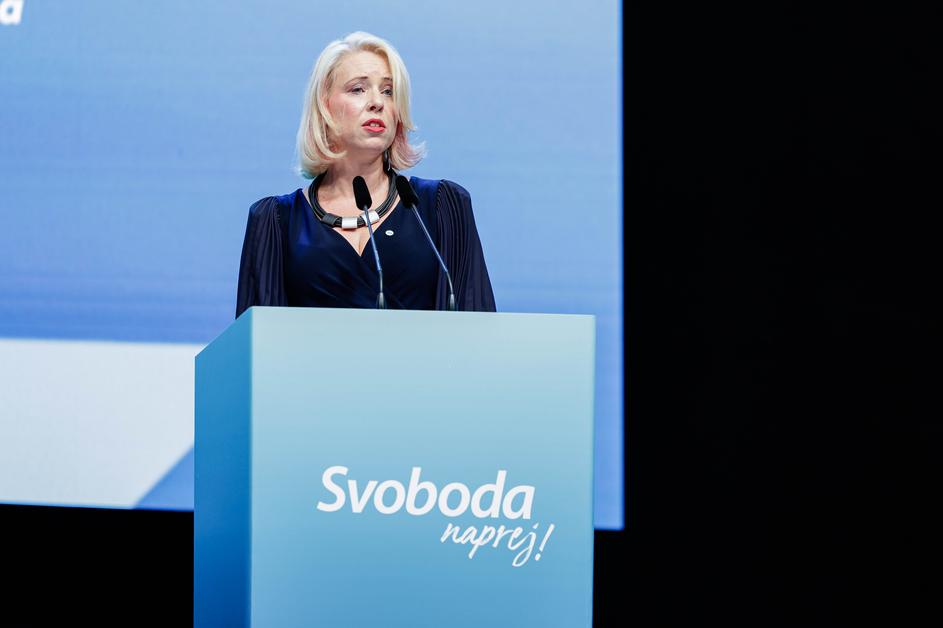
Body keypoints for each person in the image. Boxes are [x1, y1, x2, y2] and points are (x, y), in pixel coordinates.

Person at [236, 31, 495, 317]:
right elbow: (257, 340)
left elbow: (476, 328)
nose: (377, 102)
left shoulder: (440, 208)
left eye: (388, 91)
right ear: (324, 106)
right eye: (358, 89)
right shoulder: (276, 222)